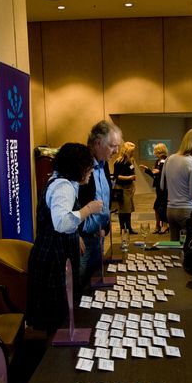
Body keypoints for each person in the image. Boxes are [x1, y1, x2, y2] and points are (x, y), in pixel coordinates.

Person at [27, 143, 102, 332]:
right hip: (54, 256)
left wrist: (75, 235)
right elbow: (61, 223)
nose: (92, 170)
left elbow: (60, 218)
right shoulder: (64, 187)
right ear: (77, 166)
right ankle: (57, 357)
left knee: (56, 310)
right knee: (57, 312)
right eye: (88, 165)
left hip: (50, 251)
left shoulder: (60, 181)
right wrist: (89, 209)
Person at [78, 120, 122, 287]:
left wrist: (105, 228)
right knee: (80, 288)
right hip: (82, 240)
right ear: (97, 143)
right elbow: (70, 204)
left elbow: (104, 198)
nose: (116, 151)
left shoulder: (104, 164)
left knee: (95, 286)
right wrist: (75, 234)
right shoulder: (81, 164)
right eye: (112, 146)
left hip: (99, 236)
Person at [161, 128, 192, 241]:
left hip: (170, 210)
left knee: (175, 247)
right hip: (186, 210)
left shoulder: (169, 158)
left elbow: (162, 186)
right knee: (190, 246)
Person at [140, 142, 169, 234]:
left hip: (164, 188)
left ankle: (164, 225)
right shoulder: (157, 161)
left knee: (162, 207)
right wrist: (147, 170)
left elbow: (167, 175)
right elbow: (154, 175)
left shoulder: (167, 160)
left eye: (155, 150)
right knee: (157, 207)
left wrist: (159, 172)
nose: (153, 152)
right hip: (158, 187)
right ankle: (158, 225)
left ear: (159, 151)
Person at [113, 141, 138, 234]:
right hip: (121, 188)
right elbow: (117, 176)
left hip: (129, 187)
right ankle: (123, 228)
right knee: (123, 209)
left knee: (129, 209)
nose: (133, 153)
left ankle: (129, 227)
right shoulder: (119, 162)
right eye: (131, 151)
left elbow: (132, 171)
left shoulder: (130, 161)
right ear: (126, 151)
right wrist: (129, 177)